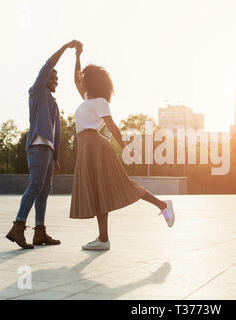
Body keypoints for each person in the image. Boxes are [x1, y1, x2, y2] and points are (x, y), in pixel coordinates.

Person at [70, 43, 175, 250]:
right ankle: (103, 239)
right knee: (98, 190)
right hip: (86, 146)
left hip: (96, 145)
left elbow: (112, 127)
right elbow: (76, 78)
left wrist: (125, 147)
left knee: (120, 186)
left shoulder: (100, 101)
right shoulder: (86, 98)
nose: (81, 79)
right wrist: (78, 56)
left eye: (85, 78)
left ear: (91, 82)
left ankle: (163, 206)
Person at [6, 40, 82, 249]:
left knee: (45, 188)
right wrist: (66, 48)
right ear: (45, 78)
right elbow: (47, 65)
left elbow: (56, 133)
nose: (56, 82)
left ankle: (39, 232)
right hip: (37, 146)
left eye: (57, 79)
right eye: (54, 78)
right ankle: (18, 226)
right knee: (36, 185)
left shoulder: (54, 103)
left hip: (48, 150)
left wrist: (56, 157)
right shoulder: (37, 91)